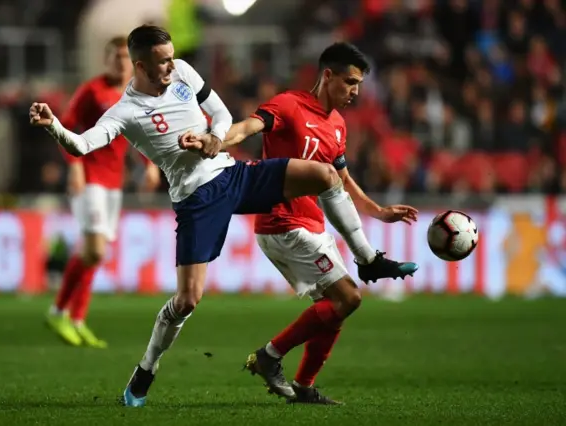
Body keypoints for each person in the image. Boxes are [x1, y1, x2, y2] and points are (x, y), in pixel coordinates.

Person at [29, 25, 416, 408]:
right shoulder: (126, 112)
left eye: (171, 58)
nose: (171, 67)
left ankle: (368, 260)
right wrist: (55, 127)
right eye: (162, 62)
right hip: (197, 199)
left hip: (232, 174)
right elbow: (82, 145)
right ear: (141, 66)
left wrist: (215, 137)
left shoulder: (182, 71)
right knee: (187, 299)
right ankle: (146, 368)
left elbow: (220, 112)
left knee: (325, 174)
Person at [217, 42, 419, 404]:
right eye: (349, 82)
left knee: (337, 309)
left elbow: (341, 179)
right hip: (283, 221)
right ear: (327, 76)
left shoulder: (338, 126)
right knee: (349, 297)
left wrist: (378, 211)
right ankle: (269, 356)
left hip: (311, 223)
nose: (355, 92)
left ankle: (304, 387)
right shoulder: (289, 105)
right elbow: (249, 126)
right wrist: (219, 140)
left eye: (358, 85)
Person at [45, 36, 161, 348]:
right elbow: (64, 127)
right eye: (115, 56)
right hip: (91, 179)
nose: (120, 62)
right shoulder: (91, 91)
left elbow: (139, 134)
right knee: (94, 250)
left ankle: (77, 319)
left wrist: (149, 165)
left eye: (125, 57)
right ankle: (57, 311)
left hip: (113, 185)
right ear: (106, 59)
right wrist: (75, 166)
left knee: (95, 256)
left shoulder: (134, 95)